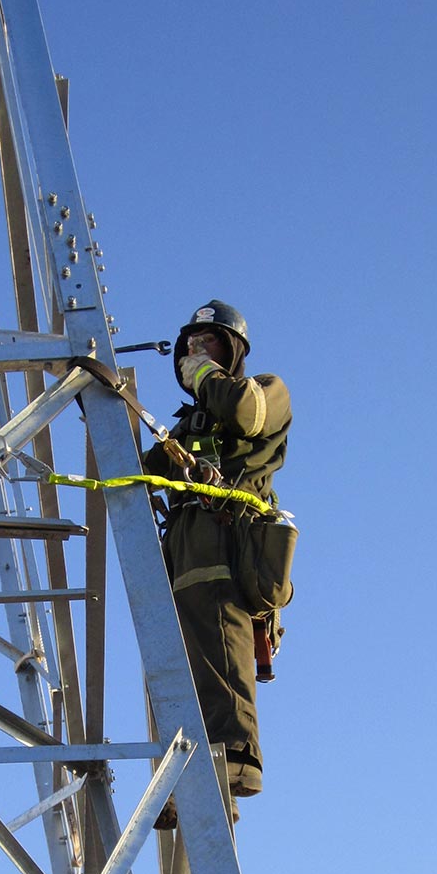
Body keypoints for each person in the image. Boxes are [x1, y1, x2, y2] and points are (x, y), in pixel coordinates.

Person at [141, 300, 291, 822]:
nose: (193, 350)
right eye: (189, 344)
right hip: (180, 552)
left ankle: (233, 760)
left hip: (229, 545)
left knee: (222, 647)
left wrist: (204, 372)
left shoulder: (266, 391)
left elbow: (247, 412)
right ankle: (181, 772)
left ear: (233, 350)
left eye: (207, 343)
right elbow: (140, 475)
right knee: (173, 660)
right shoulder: (186, 429)